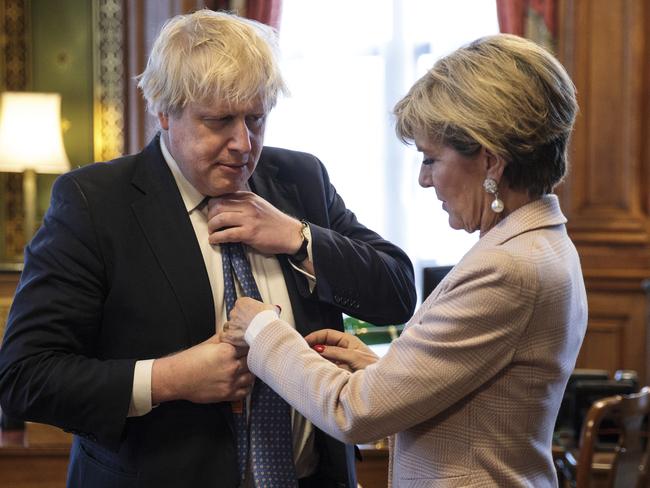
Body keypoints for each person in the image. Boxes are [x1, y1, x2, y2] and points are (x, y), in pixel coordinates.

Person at [0, 10, 416, 488]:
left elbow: (398, 292)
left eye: (256, 119)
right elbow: (25, 377)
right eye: (219, 121)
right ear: (164, 113)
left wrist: (298, 237)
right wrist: (169, 379)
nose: (243, 143)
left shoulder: (300, 181)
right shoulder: (95, 203)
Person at [220, 33, 588, 487]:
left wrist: (263, 331)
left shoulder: (508, 268)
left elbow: (351, 411)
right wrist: (385, 375)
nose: (422, 179)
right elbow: (480, 407)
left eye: (431, 159)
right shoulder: (543, 243)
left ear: (490, 160)